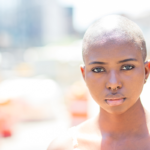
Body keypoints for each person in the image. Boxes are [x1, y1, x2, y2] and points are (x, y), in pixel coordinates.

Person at [47, 15, 150, 150]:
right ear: (84, 75)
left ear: (146, 71)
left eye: (127, 67)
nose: (113, 83)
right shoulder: (65, 147)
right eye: (98, 69)